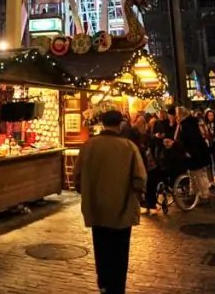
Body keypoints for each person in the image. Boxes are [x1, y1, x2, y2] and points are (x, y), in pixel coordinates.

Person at [74, 110, 147, 294]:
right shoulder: (128, 147)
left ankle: (104, 284)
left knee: (101, 249)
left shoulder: (88, 145)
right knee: (120, 252)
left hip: (97, 209)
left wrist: (88, 192)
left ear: (103, 123)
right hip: (122, 210)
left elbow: (77, 176)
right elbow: (140, 178)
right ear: (120, 124)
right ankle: (117, 287)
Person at [175, 107, 212, 204]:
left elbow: (193, 139)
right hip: (193, 153)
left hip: (196, 153)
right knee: (192, 174)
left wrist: (189, 151)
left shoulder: (189, 124)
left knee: (199, 174)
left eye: (177, 115)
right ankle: (194, 193)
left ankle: (204, 195)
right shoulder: (187, 123)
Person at [202, 109, 215, 191]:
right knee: (208, 162)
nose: (210, 117)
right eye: (208, 115)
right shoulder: (205, 124)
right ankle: (211, 181)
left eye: (212, 115)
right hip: (208, 145)